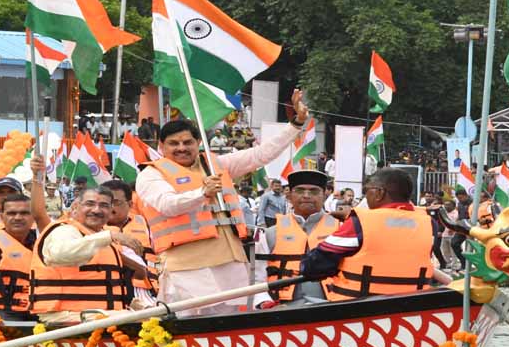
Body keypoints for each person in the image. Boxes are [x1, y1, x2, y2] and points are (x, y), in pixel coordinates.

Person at [134, 89, 310, 316]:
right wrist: (202, 193)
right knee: (193, 326)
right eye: (173, 143)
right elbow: (167, 204)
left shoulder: (216, 164)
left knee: (233, 322)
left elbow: (261, 155)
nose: (181, 148)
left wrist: (296, 124)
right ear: (161, 146)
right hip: (187, 267)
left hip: (231, 262)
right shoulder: (150, 174)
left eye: (188, 142)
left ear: (198, 142)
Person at [300, 167, 434, 301]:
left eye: (366, 191)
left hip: (361, 308)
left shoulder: (360, 222)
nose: (365, 197)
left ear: (379, 193)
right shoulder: (428, 223)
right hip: (412, 306)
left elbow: (314, 265)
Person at [29, 187, 144, 323]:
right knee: (134, 320)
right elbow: (60, 254)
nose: (96, 210)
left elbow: (138, 275)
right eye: (90, 204)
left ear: (110, 211)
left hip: (100, 314)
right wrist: (108, 236)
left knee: (155, 316)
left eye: (104, 206)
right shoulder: (64, 231)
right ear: (75, 207)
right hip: (64, 314)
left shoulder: (102, 239)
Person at [257, 170, 339, 305]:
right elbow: (257, 278)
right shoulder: (269, 234)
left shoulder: (342, 230)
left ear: (325, 195)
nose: (306, 196)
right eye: (300, 191)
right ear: (289, 195)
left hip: (334, 307)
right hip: (282, 308)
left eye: (314, 191)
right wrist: (263, 302)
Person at [103, 178, 158, 305]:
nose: (110, 207)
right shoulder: (91, 229)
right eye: (105, 203)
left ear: (130, 204)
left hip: (147, 290)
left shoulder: (146, 224)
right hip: (109, 291)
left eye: (115, 202)